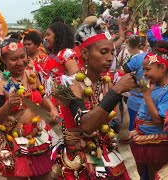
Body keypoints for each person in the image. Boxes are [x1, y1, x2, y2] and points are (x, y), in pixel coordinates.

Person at [51, 24, 136, 179]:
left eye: (112, 52)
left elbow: (106, 120)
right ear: (84, 53)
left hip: (107, 154)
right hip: (80, 160)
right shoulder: (72, 86)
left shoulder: (106, 82)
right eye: (103, 52)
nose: (110, 58)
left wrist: (120, 130)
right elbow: (87, 125)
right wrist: (117, 91)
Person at [0, 39, 59, 179]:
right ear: (4, 60)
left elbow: (42, 97)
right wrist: (8, 106)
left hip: (36, 137)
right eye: (14, 59)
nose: (20, 63)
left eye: (22, 57)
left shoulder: (32, 75)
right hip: (13, 142)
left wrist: (52, 109)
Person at [130, 53, 168, 179]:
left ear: (162, 68)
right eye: (143, 70)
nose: (144, 74)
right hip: (142, 137)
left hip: (156, 144)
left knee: (154, 174)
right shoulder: (154, 85)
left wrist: (146, 95)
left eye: (148, 69)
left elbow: (158, 120)